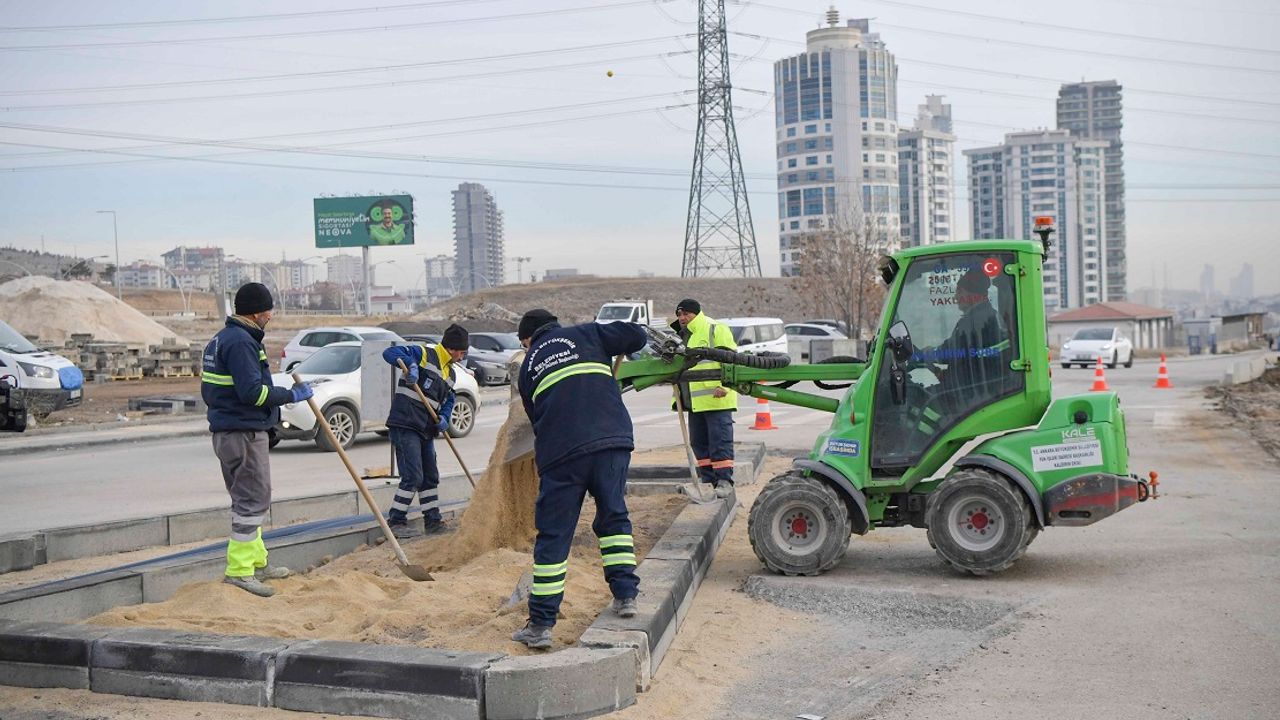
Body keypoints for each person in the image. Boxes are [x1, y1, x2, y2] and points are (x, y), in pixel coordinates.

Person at [510, 309, 647, 650]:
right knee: (614, 516)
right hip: (611, 440)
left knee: (555, 535)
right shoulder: (588, 333)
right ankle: (626, 596)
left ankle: (541, 625)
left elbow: (536, 418)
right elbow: (637, 336)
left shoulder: (528, 367)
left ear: (528, 339)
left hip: (562, 454)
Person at [202, 282, 314, 598]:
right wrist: (290, 395)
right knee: (252, 501)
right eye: (268, 310)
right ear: (255, 312)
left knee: (250, 499)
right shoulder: (241, 342)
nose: (271, 315)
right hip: (243, 432)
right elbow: (253, 393)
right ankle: (239, 571)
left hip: (231, 430)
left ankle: (256, 562)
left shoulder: (223, 338)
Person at [380, 324, 469, 539]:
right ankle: (396, 521)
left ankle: (433, 521)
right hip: (406, 423)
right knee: (413, 476)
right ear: (452, 349)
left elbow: (449, 399)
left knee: (430, 477)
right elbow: (390, 352)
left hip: (426, 429)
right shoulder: (424, 354)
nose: (463, 356)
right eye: (462, 352)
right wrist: (410, 365)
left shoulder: (451, 373)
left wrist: (445, 417)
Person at [673, 299, 738, 499]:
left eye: (686, 314)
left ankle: (724, 480)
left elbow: (732, 359)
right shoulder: (682, 335)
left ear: (696, 313)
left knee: (719, 441)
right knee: (699, 443)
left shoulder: (715, 328)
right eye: (679, 315)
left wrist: (724, 386)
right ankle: (708, 480)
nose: (682, 318)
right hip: (694, 402)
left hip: (716, 398)